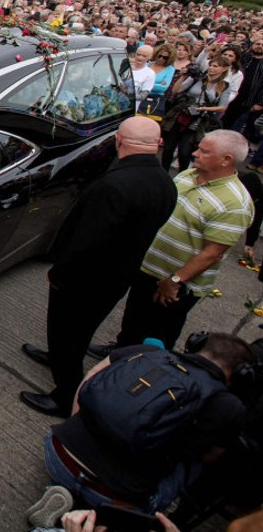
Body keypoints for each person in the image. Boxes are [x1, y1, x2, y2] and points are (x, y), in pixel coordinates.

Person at [19, 117, 177, 417]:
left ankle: (66, 395)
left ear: (119, 141)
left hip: (86, 280)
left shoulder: (115, 185)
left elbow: (86, 240)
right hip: (119, 276)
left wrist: (60, 272)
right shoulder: (166, 184)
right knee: (80, 331)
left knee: (68, 333)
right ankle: (56, 357)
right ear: (158, 144)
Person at [44, 332, 251, 513]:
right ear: (243, 375)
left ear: (197, 343)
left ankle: (62, 489)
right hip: (112, 497)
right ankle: (112, 515)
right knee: (193, 464)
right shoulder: (228, 406)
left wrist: (75, 427)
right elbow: (205, 456)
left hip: (58, 451)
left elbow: (91, 377)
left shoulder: (149, 350)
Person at [95, 130, 253, 353]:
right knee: (134, 318)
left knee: (158, 333)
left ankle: (142, 378)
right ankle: (120, 351)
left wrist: (175, 280)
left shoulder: (235, 203)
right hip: (148, 269)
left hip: (175, 284)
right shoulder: (189, 174)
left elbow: (213, 253)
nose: (196, 153)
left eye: (204, 151)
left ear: (226, 160)